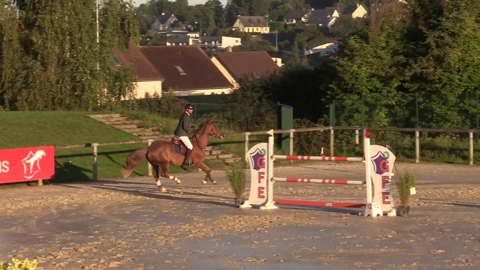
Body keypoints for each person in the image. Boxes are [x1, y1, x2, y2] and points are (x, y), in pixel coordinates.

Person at [174, 104, 194, 170]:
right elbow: (185, 127)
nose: (191, 110)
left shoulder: (185, 115)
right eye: (190, 109)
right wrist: (191, 131)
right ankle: (185, 162)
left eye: (192, 109)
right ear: (187, 109)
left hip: (181, 133)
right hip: (182, 134)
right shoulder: (186, 116)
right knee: (190, 146)